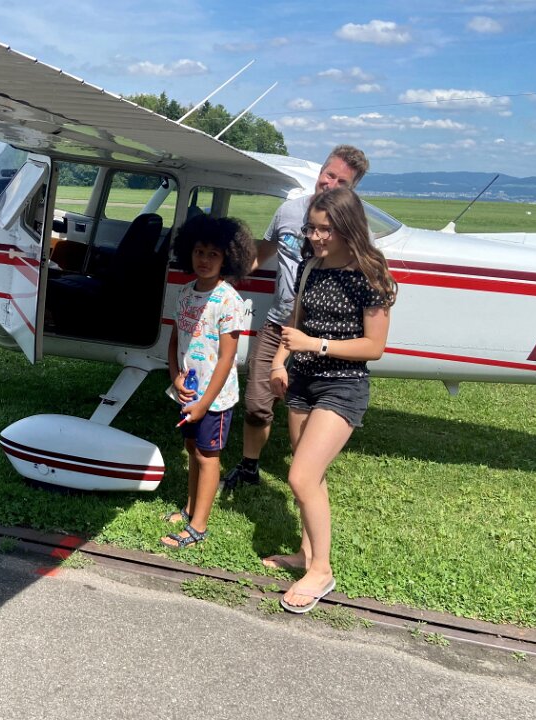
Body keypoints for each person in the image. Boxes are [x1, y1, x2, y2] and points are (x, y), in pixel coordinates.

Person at [264, 187, 396, 613]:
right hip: (302, 380)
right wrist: (279, 363)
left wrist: (316, 345)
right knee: (312, 476)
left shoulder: (370, 276)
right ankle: (306, 554)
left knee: (300, 477)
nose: (317, 237)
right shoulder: (310, 266)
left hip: (343, 386)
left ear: (348, 227)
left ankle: (321, 570)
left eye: (326, 230)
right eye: (312, 229)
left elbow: (374, 346)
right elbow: (295, 321)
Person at [222, 145, 369, 493]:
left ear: (352, 189)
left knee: (310, 408)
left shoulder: (352, 226)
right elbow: (263, 252)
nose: (330, 184)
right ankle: (249, 466)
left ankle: (309, 477)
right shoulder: (288, 211)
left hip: (320, 334)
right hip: (279, 323)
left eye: (342, 182)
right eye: (329, 174)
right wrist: (225, 278)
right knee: (257, 403)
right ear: (321, 170)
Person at [161, 215, 255, 549]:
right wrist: (175, 377)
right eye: (199, 252)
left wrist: (205, 403)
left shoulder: (229, 300)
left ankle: (199, 526)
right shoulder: (185, 293)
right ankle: (190, 508)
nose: (204, 260)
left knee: (207, 455)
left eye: (213, 254)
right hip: (188, 393)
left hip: (214, 399)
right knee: (191, 449)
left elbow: (227, 358)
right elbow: (175, 341)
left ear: (227, 257)